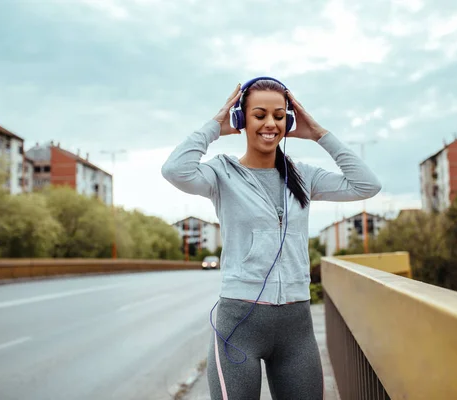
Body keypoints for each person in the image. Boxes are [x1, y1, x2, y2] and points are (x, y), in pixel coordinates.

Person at [161, 77, 381, 400]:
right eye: (259, 114)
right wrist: (215, 125)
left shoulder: (303, 176)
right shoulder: (222, 175)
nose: (270, 124)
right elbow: (174, 169)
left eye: (279, 116)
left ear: (288, 121)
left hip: (296, 328)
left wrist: (319, 134)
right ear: (241, 120)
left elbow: (367, 185)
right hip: (238, 327)